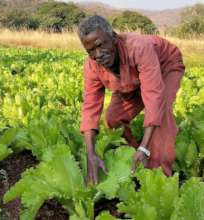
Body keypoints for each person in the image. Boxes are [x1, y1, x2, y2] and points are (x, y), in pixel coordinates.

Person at [78, 15, 185, 184]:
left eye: (100, 45)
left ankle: (159, 180)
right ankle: (135, 157)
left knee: (161, 117)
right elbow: (90, 107)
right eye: (91, 50)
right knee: (112, 119)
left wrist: (145, 147)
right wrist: (90, 154)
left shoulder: (139, 47)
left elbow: (153, 97)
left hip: (165, 67)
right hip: (132, 79)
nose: (97, 55)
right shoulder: (92, 65)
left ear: (113, 37)